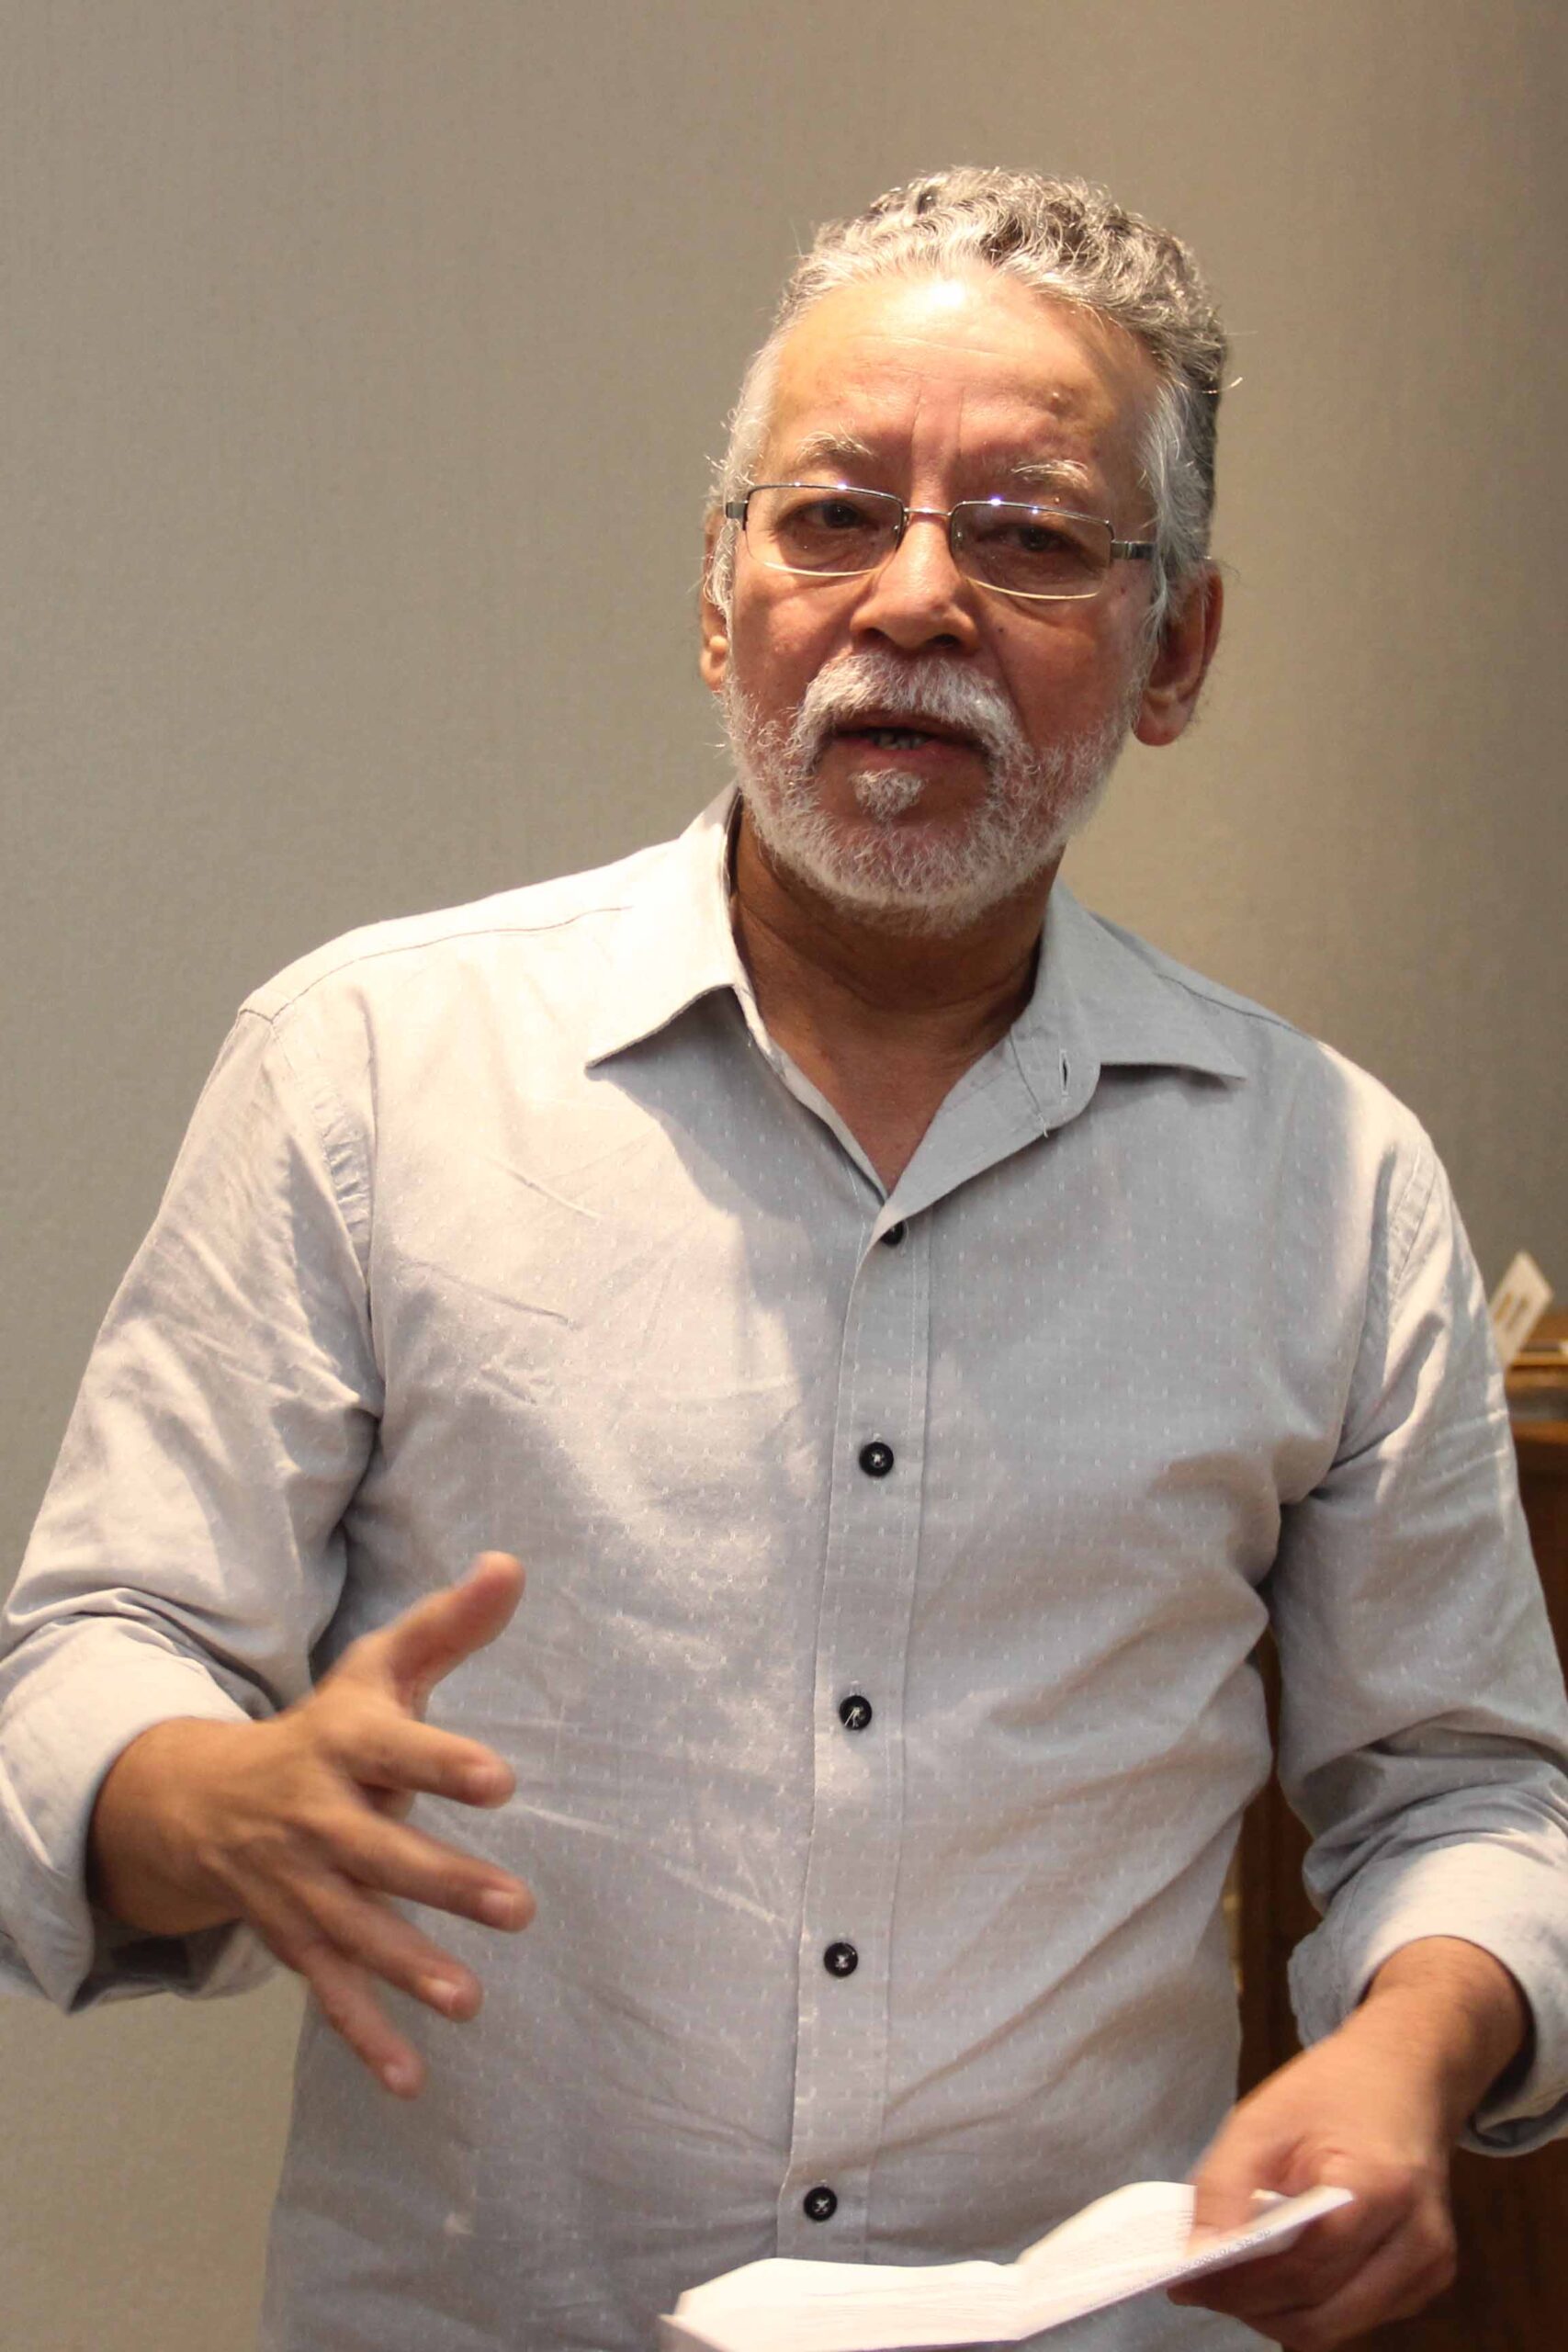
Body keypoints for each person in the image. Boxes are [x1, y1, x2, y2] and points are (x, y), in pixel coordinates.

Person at [3, 167, 1566, 2352]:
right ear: (715, 599)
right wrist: (199, 1790)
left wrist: (1412, 2038)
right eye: (830, 514)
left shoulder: (1327, 1177)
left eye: (1029, 533)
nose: (912, 596)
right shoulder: (368, 1066)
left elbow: (1464, 1789)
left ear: (1177, 649)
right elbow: (97, 1647)